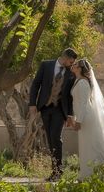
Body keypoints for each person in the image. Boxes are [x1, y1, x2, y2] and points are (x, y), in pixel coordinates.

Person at [29, 48, 78, 181]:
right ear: (65, 58)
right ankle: (55, 171)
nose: (72, 64)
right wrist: (32, 104)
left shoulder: (71, 73)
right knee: (50, 140)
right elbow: (35, 85)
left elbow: (70, 96)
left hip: (59, 110)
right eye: (71, 61)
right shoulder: (46, 65)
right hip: (45, 108)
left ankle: (59, 171)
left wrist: (70, 115)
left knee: (56, 137)